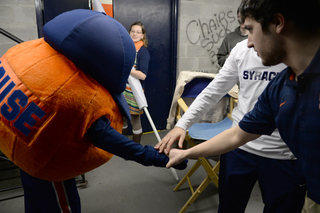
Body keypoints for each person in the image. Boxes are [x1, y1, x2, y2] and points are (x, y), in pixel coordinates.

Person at [0, 9, 186, 213]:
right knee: (61, 205)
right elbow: (111, 140)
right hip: (46, 165)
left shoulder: (27, 55)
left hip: (22, 150)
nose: (135, 34)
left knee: (35, 200)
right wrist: (160, 157)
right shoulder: (78, 101)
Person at [163, 0, 320, 212]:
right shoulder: (280, 86)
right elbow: (237, 133)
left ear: (278, 23)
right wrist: (185, 145)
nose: (248, 42)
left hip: (285, 158)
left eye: (251, 30)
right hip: (241, 150)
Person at [122, 21, 150, 143]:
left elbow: (142, 75)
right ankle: (122, 145)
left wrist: (127, 69)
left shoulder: (143, 52)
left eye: (138, 32)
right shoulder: (126, 48)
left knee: (135, 120)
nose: (135, 34)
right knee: (121, 118)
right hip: (122, 90)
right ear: (129, 32)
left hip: (134, 92)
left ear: (142, 35)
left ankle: (135, 148)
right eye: (133, 31)